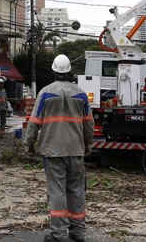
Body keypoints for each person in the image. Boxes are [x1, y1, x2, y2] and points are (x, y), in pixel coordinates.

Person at [23, 54, 94, 242]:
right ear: (69, 71)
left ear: (54, 71)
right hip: (76, 150)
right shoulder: (80, 94)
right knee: (77, 191)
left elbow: (34, 122)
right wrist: (88, 144)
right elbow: (89, 124)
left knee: (57, 192)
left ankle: (59, 234)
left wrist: (28, 144)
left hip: (52, 151)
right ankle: (78, 232)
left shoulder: (45, 93)